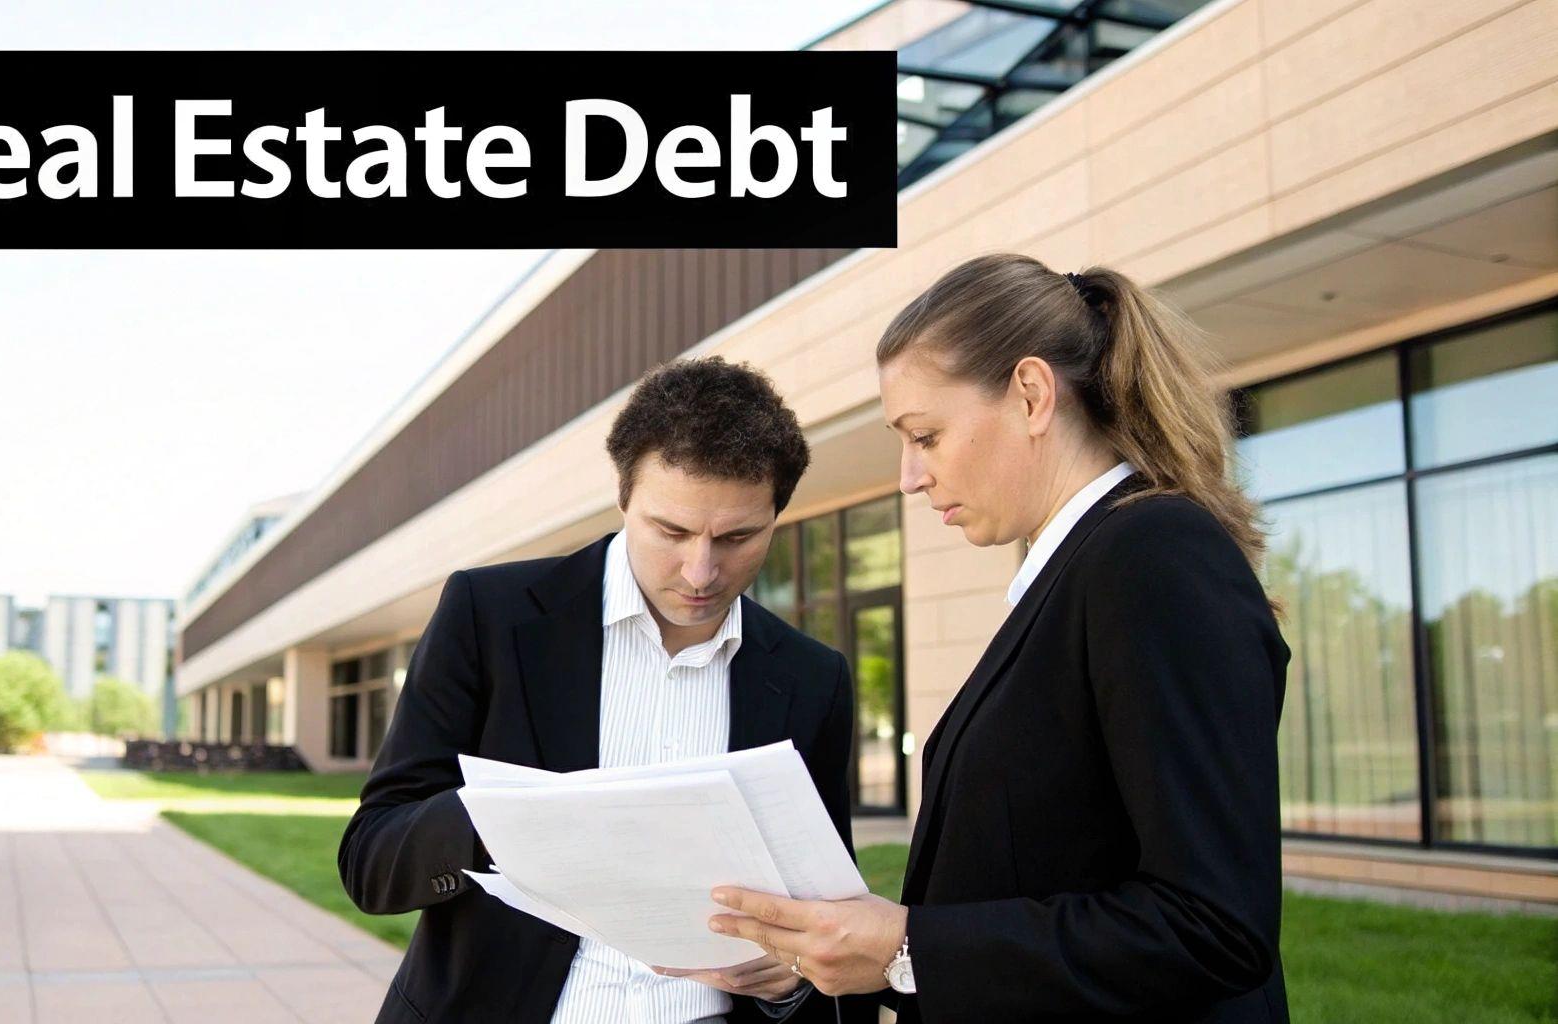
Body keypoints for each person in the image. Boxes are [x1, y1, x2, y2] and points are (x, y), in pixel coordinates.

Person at [708, 253, 1291, 1022]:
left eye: (926, 435)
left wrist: (907, 947)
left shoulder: (1151, 557)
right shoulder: (1077, 572)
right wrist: (868, 949)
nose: (910, 477)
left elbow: (1212, 924)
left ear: (1031, 394)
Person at [339, 356, 870, 1024]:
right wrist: (505, 817)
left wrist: (790, 978)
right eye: (671, 531)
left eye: (737, 537)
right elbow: (371, 859)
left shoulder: (812, 678)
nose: (701, 570)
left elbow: (831, 918)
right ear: (624, 499)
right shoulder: (490, 615)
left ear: (776, 516)